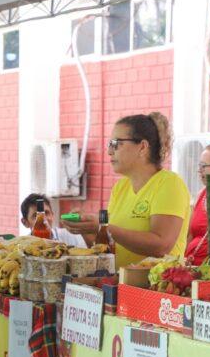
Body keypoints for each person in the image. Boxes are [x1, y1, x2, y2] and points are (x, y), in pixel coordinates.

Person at [62, 112, 190, 268]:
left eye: (116, 143)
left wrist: (104, 227)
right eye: (109, 144)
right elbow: (107, 247)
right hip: (120, 284)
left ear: (142, 147)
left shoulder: (170, 183)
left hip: (155, 287)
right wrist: (84, 227)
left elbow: (161, 246)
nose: (109, 151)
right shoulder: (120, 187)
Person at [19, 194, 86, 247]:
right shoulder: (23, 246)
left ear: (52, 215)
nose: (43, 219)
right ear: (25, 223)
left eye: (47, 213)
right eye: (35, 216)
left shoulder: (70, 236)